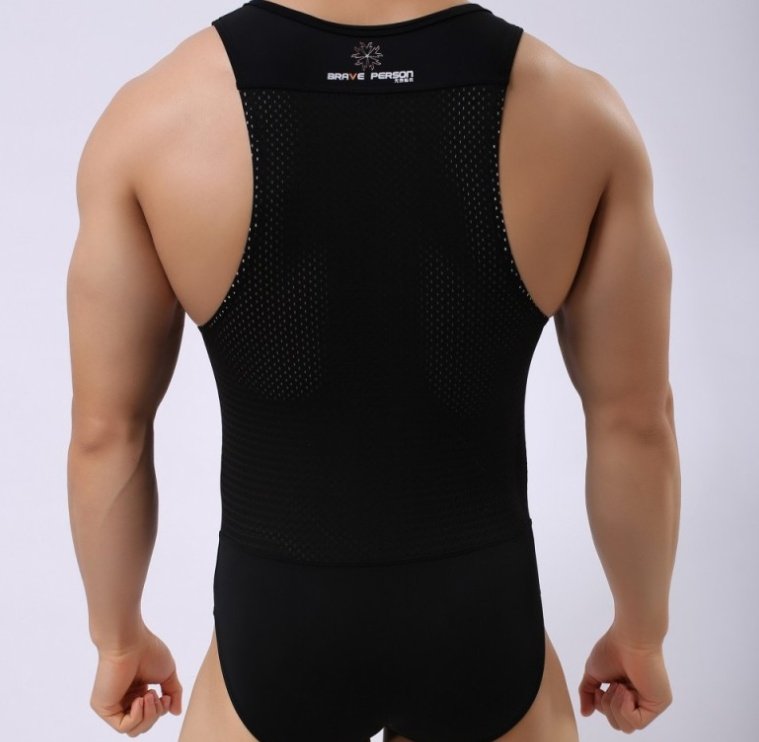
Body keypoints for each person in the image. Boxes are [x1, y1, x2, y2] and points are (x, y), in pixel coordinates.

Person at [66, 1, 680, 740]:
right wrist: (641, 634)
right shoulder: (581, 113)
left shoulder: (154, 117)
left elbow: (106, 431)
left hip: (276, 628)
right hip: (482, 623)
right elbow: (634, 420)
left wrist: (118, 640)